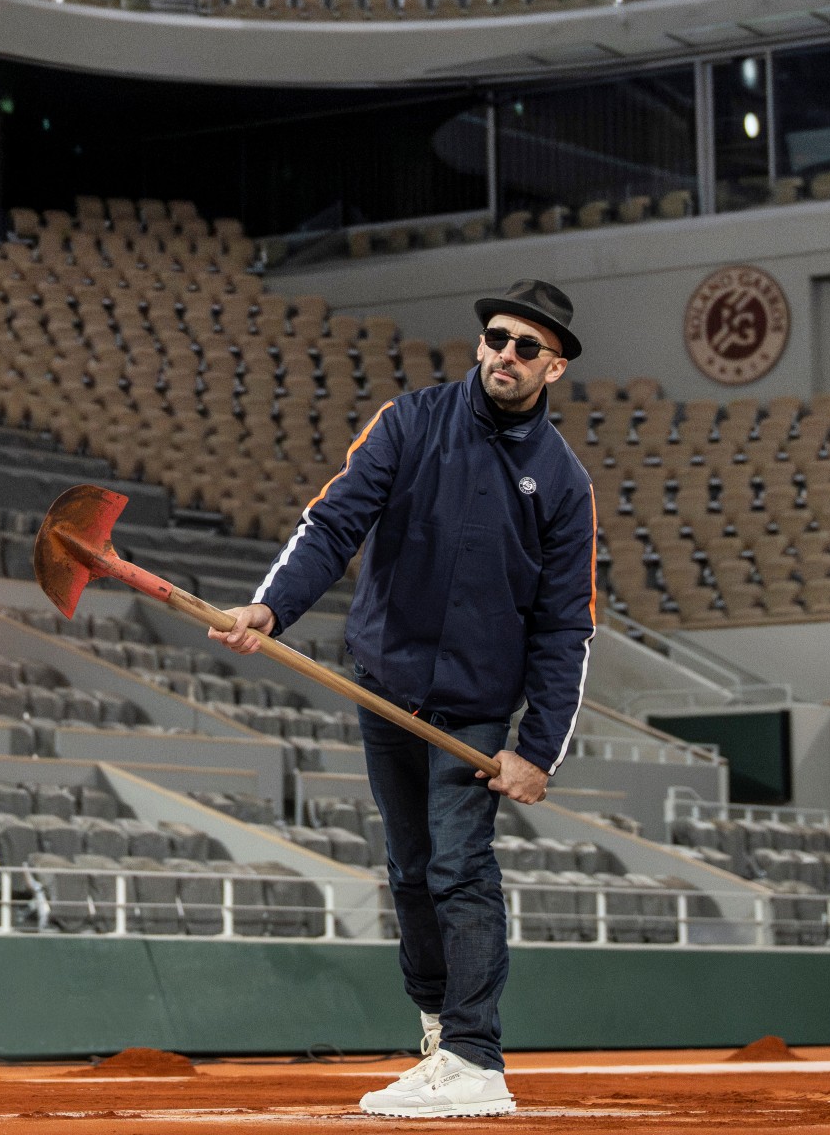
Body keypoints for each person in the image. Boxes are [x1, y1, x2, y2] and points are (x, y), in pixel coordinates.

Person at [214, 278, 595, 1121]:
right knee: (412, 872)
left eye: (528, 347)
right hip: (385, 689)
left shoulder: (563, 484)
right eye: (497, 337)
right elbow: (333, 524)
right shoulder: (409, 422)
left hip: (474, 708)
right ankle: (438, 1038)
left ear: (555, 368)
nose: (506, 354)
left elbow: (567, 626)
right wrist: (270, 608)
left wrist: (538, 748)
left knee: (460, 866)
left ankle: (476, 1058)